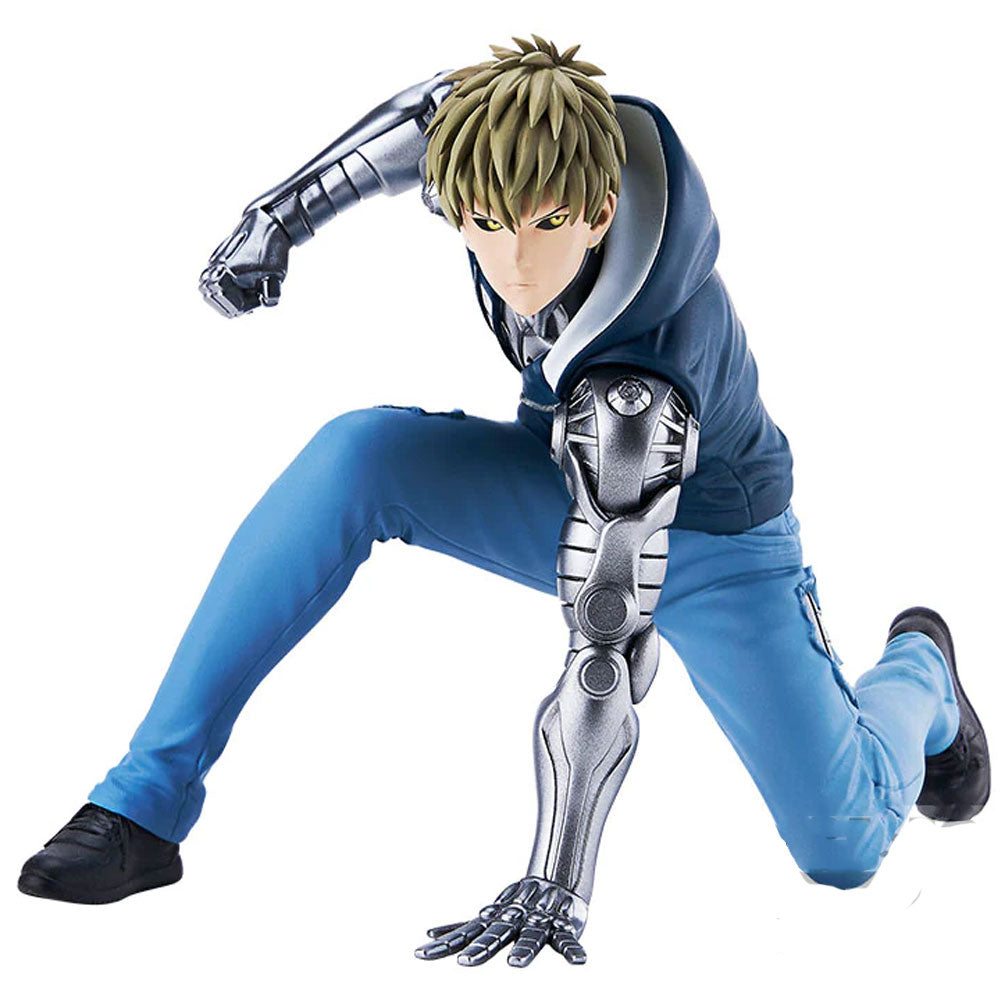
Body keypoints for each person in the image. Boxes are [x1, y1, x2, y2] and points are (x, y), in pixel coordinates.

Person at [17, 35, 990, 968]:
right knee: (356, 456)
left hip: (716, 546)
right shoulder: (495, 152)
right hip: (553, 473)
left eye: (547, 226)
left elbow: (605, 650)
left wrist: (557, 877)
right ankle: (141, 804)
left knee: (843, 846)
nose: (515, 260)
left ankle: (921, 674)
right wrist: (274, 223)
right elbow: (413, 126)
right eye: (484, 224)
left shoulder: (640, 384)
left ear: (599, 209)